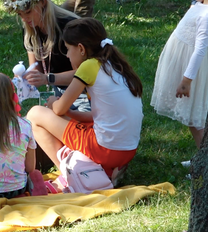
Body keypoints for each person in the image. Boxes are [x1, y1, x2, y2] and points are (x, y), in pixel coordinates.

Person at [26, 17, 143, 178]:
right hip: (127, 151)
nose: (67, 55)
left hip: (106, 149)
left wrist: (54, 102)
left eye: (68, 49)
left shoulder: (88, 66)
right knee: (71, 119)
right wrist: (71, 115)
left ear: (81, 49)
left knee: (35, 114)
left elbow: (59, 109)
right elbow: (99, 115)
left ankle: (72, 175)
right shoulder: (113, 64)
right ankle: (104, 171)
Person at [4, 0, 87, 109]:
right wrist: (25, 78)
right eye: (20, 15)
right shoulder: (30, 30)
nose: (24, 19)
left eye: (28, 12)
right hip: (58, 95)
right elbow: (36, 68)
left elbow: (86, 73)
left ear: (42, 2)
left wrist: (48, 78)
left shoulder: (69, 27)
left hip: (84, 95)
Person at [151, 0, 208, 152]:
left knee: (194, 120)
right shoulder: (200, 6)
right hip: (186, 67)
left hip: (192, 73)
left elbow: (200, 49)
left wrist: (186, 79)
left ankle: (203, 164)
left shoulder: (207, 14)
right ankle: (201, 159)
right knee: (193, 121)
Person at [0, 73, 47, 201]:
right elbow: (30, 168)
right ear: (12, 96)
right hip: (18, 189)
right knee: (35, 174)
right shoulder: (26, 125)